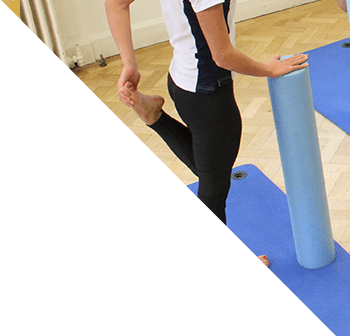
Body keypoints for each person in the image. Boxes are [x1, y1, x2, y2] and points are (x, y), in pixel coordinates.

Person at [105, 0, 309, 268]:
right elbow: (222, 55)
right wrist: (269, 69)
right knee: (213, 192)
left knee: (212, 170)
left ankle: (154, 115)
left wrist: (129, 64)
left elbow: (115, 3)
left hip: (181, 82)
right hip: (209, 96)